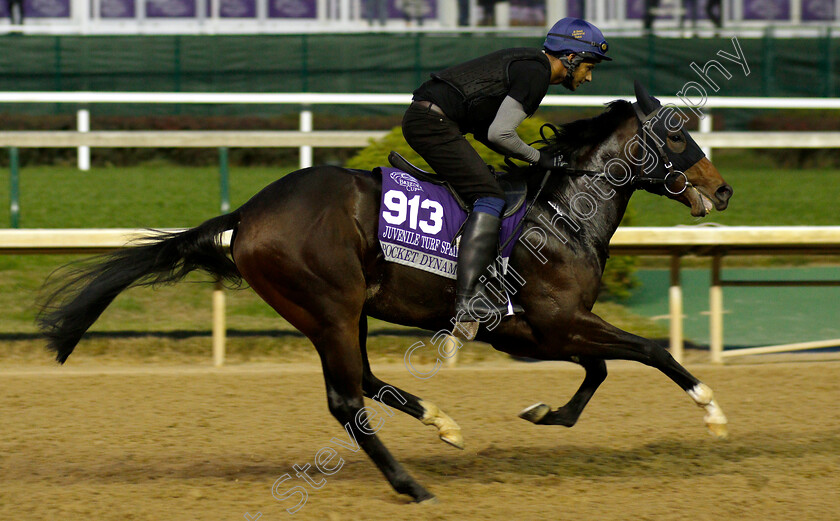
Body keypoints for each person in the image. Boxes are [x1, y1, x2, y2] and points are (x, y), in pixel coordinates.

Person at [401, 17, 611, 325]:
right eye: (588, 67)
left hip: (432, 120)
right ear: (570, 58)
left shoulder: (529, 64)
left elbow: (490, 134)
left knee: (486, 185)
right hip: (433, 123)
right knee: (490, 196)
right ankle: (469, 300)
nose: (588, 77)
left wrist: (530, 157)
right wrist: (539, 159)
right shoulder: (536, 73)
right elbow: (501, 134)